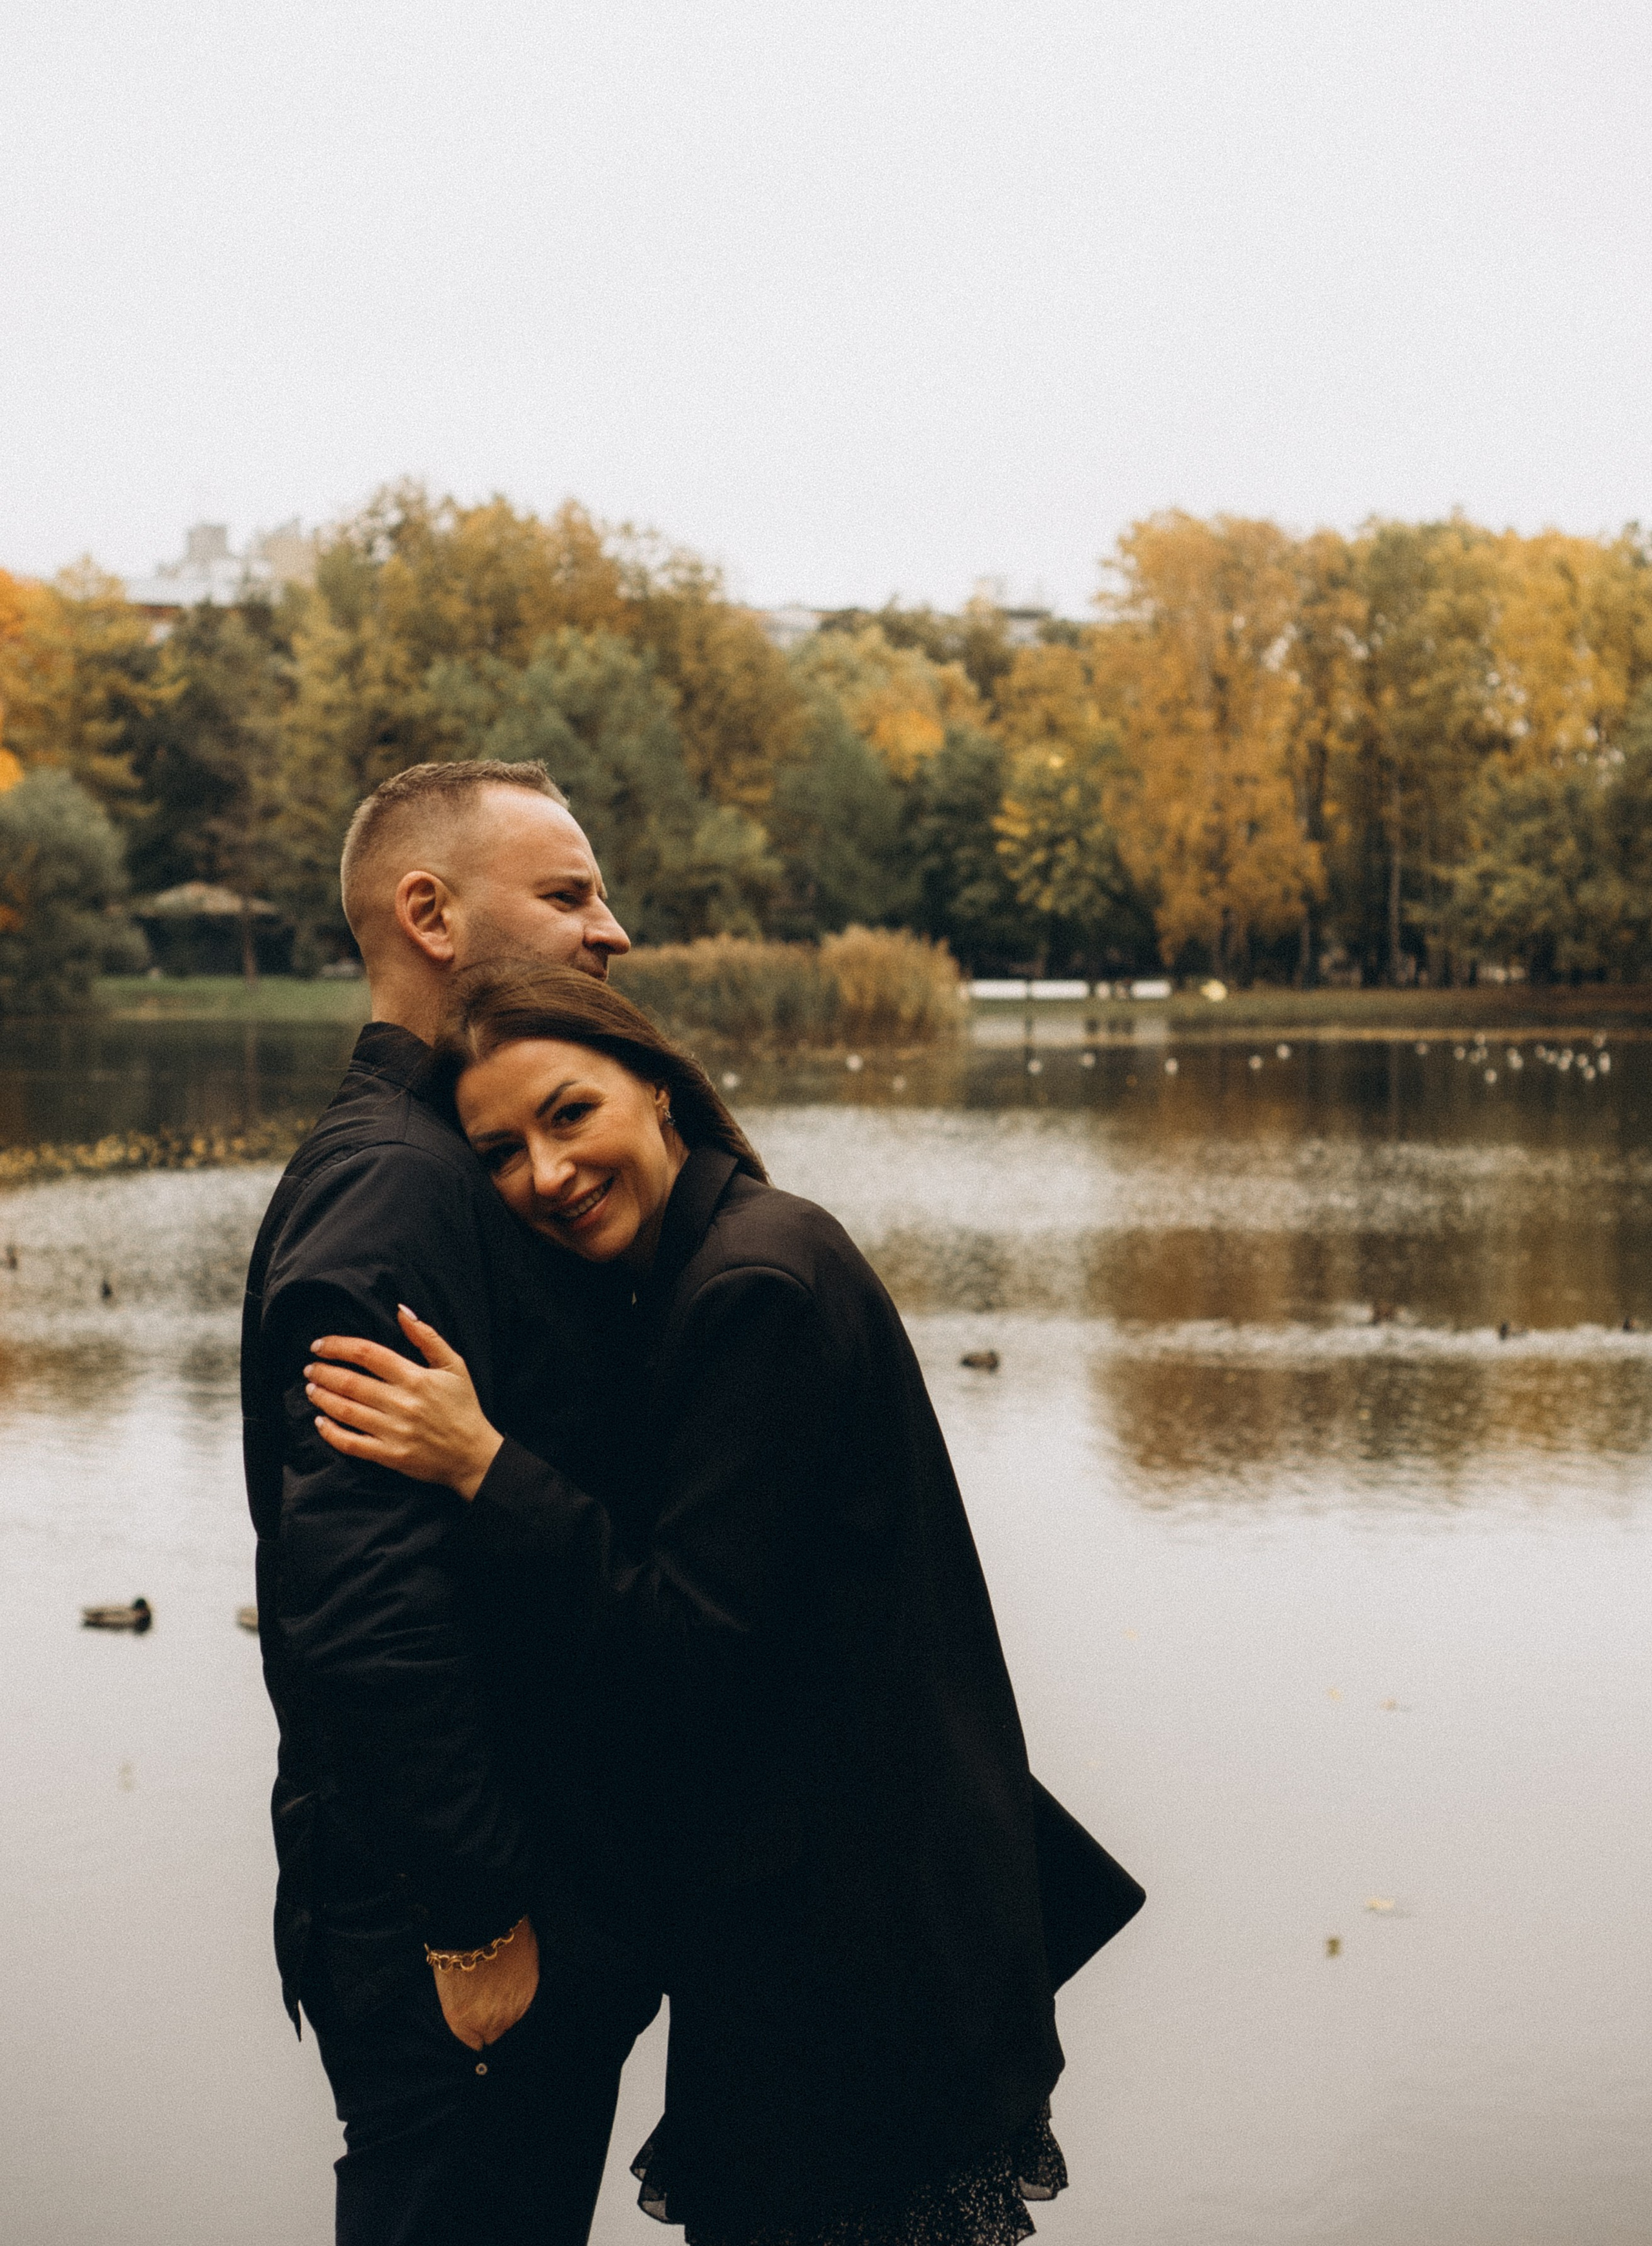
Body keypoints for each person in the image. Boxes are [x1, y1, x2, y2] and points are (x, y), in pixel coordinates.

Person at [302, 960, 1145, 2246]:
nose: (543, 1171)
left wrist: (482, 1465)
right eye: (500, 1152)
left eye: (568, 1112)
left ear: (654, 1084)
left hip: (855, 1959)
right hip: (833, 1932)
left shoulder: (753, 1290)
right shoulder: (711, 1264)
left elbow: (690, 1645)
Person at [241, 760, 661, 2246]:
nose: (610, 931)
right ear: (428, 912)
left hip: (503, 1905)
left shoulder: (454, 1165)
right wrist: (477, 1918)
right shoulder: (395, 1188)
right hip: (463, 1934)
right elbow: (357, 1593)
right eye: (565, 895)